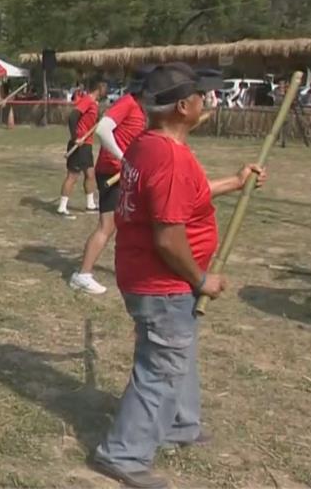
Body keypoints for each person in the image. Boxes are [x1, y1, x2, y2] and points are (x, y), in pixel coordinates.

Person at [91, 63, 267, 489]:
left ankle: (180, 424)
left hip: (150, 279)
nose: (205, 102)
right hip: (163, 282)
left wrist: (236, 182)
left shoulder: (147, 145)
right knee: (162, 365)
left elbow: (189, 191)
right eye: (200, 96)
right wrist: (200, 279)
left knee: (176, 355)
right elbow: (169, 238)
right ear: (183, 106)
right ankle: (124, 454)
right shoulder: (168, 156)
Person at [69, 68, 149, 295]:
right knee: (107, 226)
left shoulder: (141, 110)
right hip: (112, 172)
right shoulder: (128, 103)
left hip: (126, 173)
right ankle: (82, 275)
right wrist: (123, 158)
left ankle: (134, 269)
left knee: (133, 223)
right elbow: (103, 129)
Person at [58, 79, 106, 216]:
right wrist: (75, 137)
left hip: (87, 145)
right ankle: (62, 207)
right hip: (79, 144)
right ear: (99, 87)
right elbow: (73, 117)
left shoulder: (94, 104)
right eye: (105, 88)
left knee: (90, 174)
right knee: (73, 176)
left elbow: (89, 122)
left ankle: (90, 204)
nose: (106, 91)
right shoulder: (88, 100)